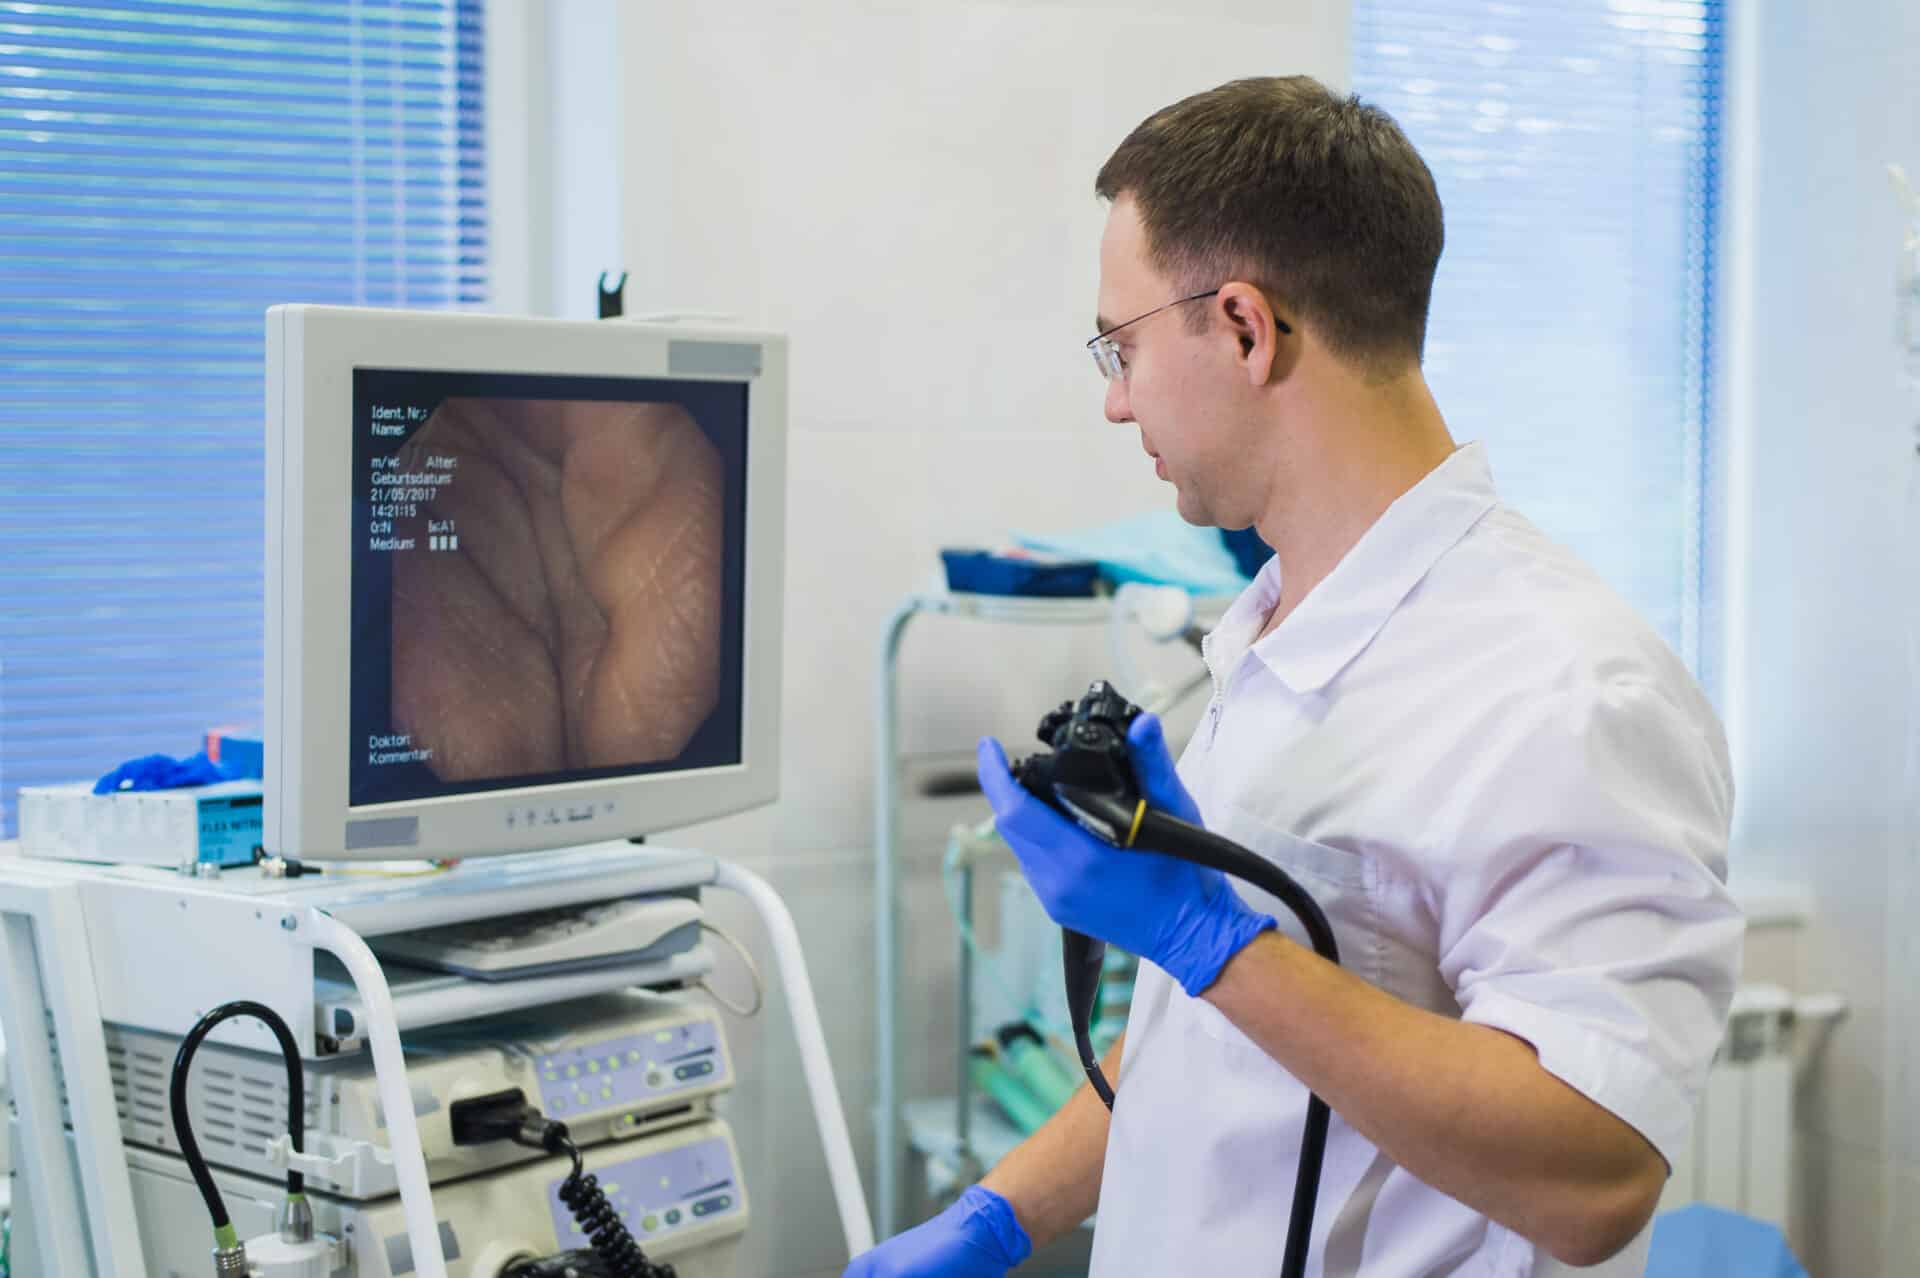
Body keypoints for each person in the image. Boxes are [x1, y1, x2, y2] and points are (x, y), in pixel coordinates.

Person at [846, 75, 1741, 1277]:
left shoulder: (1567, 686)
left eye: (1122, 348)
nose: (1115, 401)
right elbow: (1222, 1054)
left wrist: (1218, 945)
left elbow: (1597, 1175)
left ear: (1244, 328)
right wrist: (1003, 1216)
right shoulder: (1272, 629)